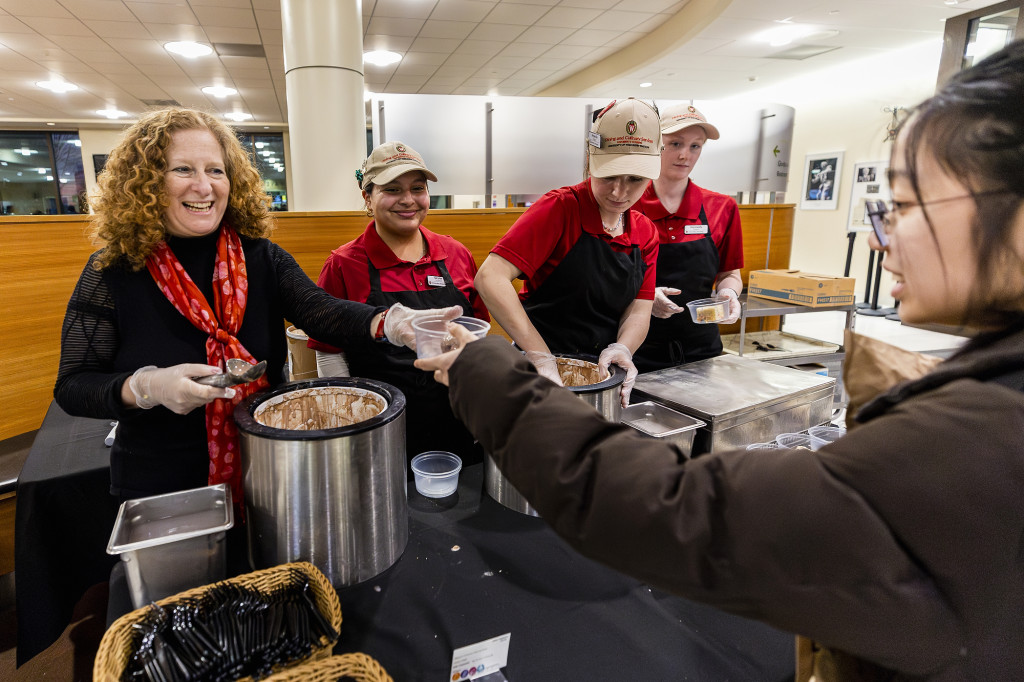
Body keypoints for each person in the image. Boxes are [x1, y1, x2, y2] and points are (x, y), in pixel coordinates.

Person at [417, 40, 1024, 679]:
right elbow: (494, 278)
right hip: (552, 376)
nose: (883, 240)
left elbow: (680, 512)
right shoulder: (560, 210)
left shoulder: (981, 432)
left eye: (904, 206)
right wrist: (529, 361)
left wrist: (602, 349)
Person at [53, 108, 460, 510]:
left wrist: (390, 322)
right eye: (182, 170)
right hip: (162, 481)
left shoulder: (260, 257)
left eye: (216, 170)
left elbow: (319, 310)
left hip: (266, 465)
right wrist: (146, 388)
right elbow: (74, 386)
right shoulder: (114, 270)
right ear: (144, 182)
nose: (204, 187)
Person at [307, 141, 488, 466]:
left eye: (417, 188)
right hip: (378, 425)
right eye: (392, 189)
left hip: (457, 415)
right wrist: (351, 421)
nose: (408, 200)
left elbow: (477, 337)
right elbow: (328, 352)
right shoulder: (344, 264)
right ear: (367, 197)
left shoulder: (456, 254)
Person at [473, 98, 662, 407]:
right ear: (590, 162)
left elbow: (640, 308)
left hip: (600, 373)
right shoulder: (561, 209)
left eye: (635, 180)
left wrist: (623, 348)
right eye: (608, 176)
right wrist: (540, 356)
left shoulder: (645, 233)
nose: (619, 192)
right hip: (541, 369)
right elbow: (490, 278)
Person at [633, 104, 744, 371]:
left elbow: (730, 272)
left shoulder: (722, 207)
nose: (685, 155)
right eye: (675, 143)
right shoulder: (627, 204)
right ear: (656, 145)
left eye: (695, 146)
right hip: (635, 345)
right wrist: (646, 297)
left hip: (701, 347)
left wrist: (729, 293)